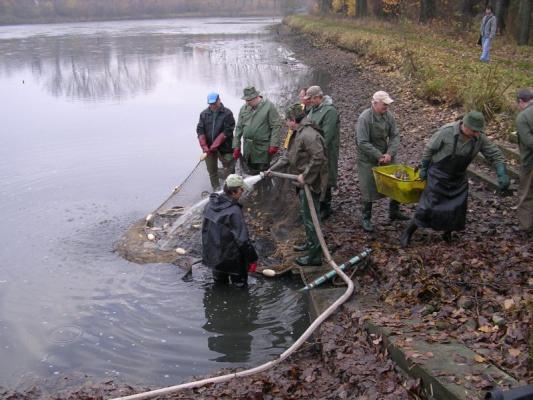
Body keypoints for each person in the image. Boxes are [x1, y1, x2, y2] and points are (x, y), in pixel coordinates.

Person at [400, 111, 510, 247]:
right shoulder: (446, 132)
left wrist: (501, 171)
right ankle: (408, 233)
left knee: (456, 208)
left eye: (479, 131)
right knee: (427, 206)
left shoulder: (479, 138)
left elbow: (495, 153)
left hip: (458, 177)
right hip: (438, 174)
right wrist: (423, 167)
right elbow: (429, 149)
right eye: (475, 131)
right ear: (466, 126)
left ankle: (447, 234)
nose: (478, 134)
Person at [266, 103, 328, 267]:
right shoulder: (298, 133)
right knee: (306, 214)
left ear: (293, 120)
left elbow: (319, 158)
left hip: (311, 184)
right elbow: (288, 157)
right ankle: (310, 244)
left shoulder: (308, 135)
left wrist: (305, 176)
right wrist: (271, 169)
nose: (286, 124)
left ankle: (315, 256)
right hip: (303, 183)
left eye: (287, 121)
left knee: (310, 218)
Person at [355, 90, 409, 232]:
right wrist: (378, 155)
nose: (386, 107)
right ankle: (366, 218)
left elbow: (395, 135)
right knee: (368, 187)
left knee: (396, 180)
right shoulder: (364, 118)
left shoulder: (388, 116)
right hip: (367, 157)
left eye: (387, 104)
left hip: (386, 154)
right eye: (384, 104)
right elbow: (362, 142)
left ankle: (394, 211)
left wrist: (389, 153)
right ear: (375, 103)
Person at [202, 174, 258, 287]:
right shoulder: (234, 211)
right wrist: (253, 259)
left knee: (219, 285)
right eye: (241, 189)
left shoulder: (209, 204)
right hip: (233, 260)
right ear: (233, 192)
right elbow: (243, 240)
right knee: (239, 287)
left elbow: (204, 231)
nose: (243, 192)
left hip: (214, 258)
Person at [306, 85, 340, 219]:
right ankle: (318, 203)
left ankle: (326, 207)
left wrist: (314, 149)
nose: (309, 101)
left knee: (326, 176)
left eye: (311, 99)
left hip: (326, 151)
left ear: (318, 97)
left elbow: (327, 135)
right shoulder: (312, 110)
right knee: (317, 175)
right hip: (314, 149)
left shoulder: (330, 111)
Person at [232, 86, 282, 174]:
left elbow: (276, 126)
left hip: (262, 149)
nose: (246, 103)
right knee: (249, 173)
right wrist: (236, 146)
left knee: (263, 174)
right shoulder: (243, 109)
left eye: (248, 100)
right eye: (245, 100)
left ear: (256, 97)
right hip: (248, 149)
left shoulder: (269, 106)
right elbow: (239, 128)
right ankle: (254, 187)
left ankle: (264, 187)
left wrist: (274, 144)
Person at [196, 92, 236, 191]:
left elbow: (228, 130)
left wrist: (216, 144)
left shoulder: (227, 113)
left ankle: (232, 190)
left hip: (225, 147)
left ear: (219, 100)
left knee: (230, 169)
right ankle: (216, 189)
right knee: (212, 170)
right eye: (210, 104)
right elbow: (200, 130)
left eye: (214, 103)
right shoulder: (204, 114)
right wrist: (204, 146)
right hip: (209, 149)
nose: (212, 106)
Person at [515, 88, 533, 235]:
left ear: (521, 101)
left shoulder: (523, 117)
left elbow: (528, 142)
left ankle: (525, 227)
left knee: (526, 194)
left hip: (530, 163)